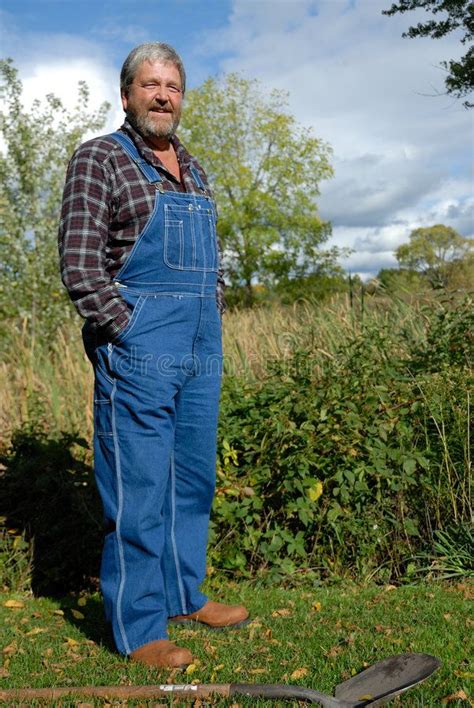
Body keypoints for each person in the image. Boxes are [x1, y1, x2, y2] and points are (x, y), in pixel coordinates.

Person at [58, 42, 249, 669]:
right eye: (150, 85)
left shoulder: (193, 167)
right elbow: (82, 266)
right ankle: (140, 628)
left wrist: (211, 312)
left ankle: (183, 594)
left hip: (200, 349)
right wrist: (127, 330)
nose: (163, 95)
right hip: (139, 349)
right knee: (138, 489)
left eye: (173, 86)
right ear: (127, 94)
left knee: (191, 478)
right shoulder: (100, 159)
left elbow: (211, 262)